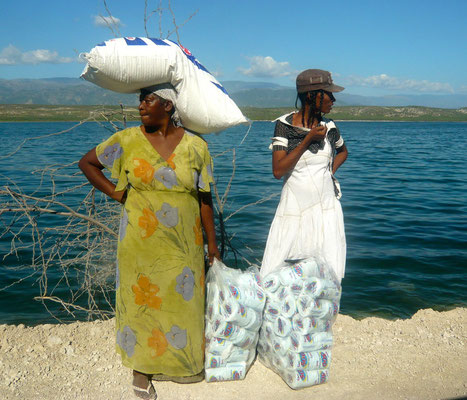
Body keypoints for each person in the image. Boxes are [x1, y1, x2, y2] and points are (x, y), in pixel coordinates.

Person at [79, 83, 220, 400]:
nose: (141, 105)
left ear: (168, 106)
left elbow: (205, 198)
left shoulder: (196, 147)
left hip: (185, 242)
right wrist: (118, 193)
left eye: (149, 99)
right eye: (141, 100)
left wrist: (212, 245)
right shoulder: (127, 141)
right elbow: (88, 164)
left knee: (184, 300)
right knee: (141, 304)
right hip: (140, 243)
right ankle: (141, 370)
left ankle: (182, 363)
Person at [260, 69, 348, 283]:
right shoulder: (284, 126)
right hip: (294, 207)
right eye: (329, 94)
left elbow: (343, 152)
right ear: (312, 96)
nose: (333, 99)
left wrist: (329, 173)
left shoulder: (329, 126)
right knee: (281, 268)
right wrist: (307, 140)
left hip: (325, 206)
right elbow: (278, 171)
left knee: (326, 268)